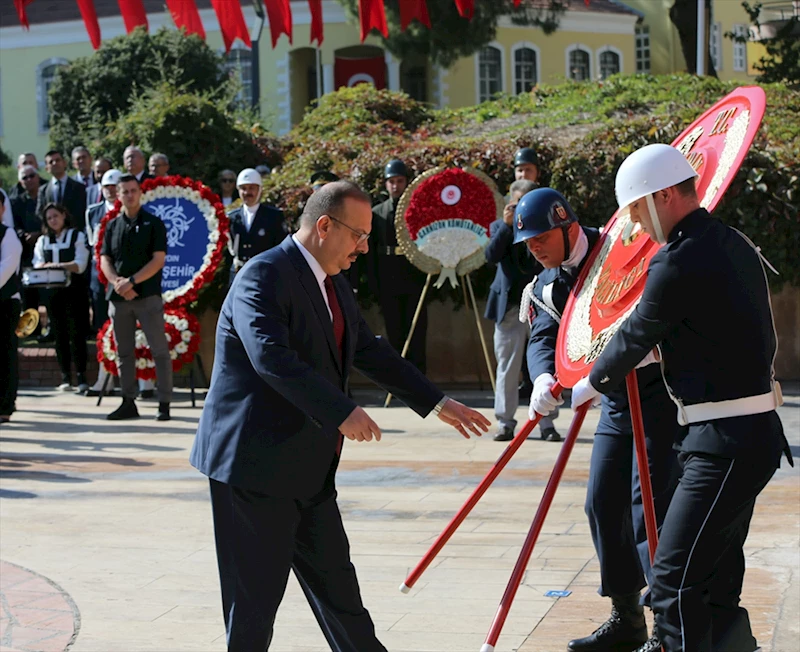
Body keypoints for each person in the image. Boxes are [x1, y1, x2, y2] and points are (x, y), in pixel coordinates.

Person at [190, 180, 491, 651]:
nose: (365, 246)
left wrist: (436, 402)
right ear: (324, 225)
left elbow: (369, 351)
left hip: (308, 471)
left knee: (341, 597)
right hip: (254, 469)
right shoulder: (262, 274)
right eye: (358, 234)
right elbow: (270, 357)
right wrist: (341, 410)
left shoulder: (333, 284)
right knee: (253, 608)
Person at [571, 144, 791, 652]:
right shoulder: (732, 241)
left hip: (724, 442)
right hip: (742, 436)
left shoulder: (677, 258)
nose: (634, 227)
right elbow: (714, 329)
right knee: (713, 576)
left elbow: (636, 334)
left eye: (636, 210)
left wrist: (585, 384)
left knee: (672, 583)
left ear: (664, 196)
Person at [515, 187, 679, 652]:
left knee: (649, 511)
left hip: (657, 394)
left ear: (568, 226)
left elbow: (649, 318)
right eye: (527, 243)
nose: (536, 249)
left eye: (542, 238)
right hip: (615, 405)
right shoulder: (547, 283)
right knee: (602, 503)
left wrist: (605, 373)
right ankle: (626, 617)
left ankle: (669, 627)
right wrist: (545, 378)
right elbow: (543, 336)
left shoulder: (620, 248)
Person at [485, 179, 561, 442]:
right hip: (508, 306)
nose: (520, 210)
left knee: (545, 363)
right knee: (507, 365)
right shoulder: (499, 227)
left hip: (539, 304)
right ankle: (505, 422)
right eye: (516, 204)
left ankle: (547, 423)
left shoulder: (544, 230)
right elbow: (490, 256)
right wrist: (507, 227)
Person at [100, 174, 172, 421]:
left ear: (140, 192)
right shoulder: (112, 226)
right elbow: (105, 259)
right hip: (119, 299)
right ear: (118, 195)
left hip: (147, 296)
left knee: (159, 350)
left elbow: (158, 260)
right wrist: (118, 283)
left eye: (133, 190)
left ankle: (164, 403)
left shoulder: (154, 223)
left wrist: (132, 282)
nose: (129, 195)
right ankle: (128, 402)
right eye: (124, 191)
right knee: (124, 352)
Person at [368, 159, 428, 374]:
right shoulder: (377, 213)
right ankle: (398, 381)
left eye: (400, 181)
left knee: (417, 331)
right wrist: (375, 284)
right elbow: (371, 253)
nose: (395, 186)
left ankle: (421, 379)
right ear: (385, 184)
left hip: (413, 276)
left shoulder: (417, 210)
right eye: (391, 181)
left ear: (407, 182)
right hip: (388, 276)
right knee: (394, 333)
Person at [33, 204, 91, 393]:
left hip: (75, 292)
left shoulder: (77, 236)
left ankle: (82, 376)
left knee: (77, 333)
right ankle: (66, 376)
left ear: (64, 216)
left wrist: (56, 265)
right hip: (53, 294)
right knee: (59, 334)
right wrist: (56, 266)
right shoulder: (42, 240)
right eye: (49, 218)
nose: (53, 221)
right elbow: (37, 263)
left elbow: (80, 265)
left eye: (56, 216)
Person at [226, 168, 286, 287]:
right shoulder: (231, 217)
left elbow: (281, 249)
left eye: (252, 188)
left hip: (264, 276)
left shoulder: (274, 216)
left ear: (259, 189)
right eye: (243, 188)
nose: (247, 192)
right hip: (238, 275)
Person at [86, 169, 122, 335]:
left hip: (122, 270)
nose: (110, 190)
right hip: (98, 271)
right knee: (100, 313)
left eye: (114, 186)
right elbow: (91, 241)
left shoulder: (128, 209)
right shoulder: (92, 212)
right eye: (106, 186)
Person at [0, 201, 23, 423]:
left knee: (6, 354)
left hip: (5, 302)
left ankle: (5, 405)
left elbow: (6, 268)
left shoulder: (8, 235)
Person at [36, 150, 87, 232]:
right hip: (52, 236)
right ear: (47, 168)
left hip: (74, 234)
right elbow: (40, 212)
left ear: (64, 163)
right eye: (51, 162)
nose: (55, 163)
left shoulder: (79, 187)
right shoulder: (43, 190)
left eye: (57, 160)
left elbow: (81, 212)